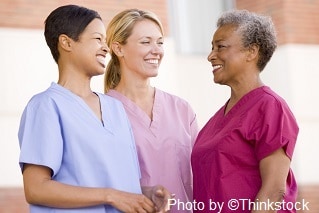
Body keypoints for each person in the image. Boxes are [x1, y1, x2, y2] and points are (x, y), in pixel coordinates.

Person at [18, 4, 171, 213]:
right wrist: (111, 195)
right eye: (97, 39)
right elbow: (36, 189)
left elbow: (117, 184)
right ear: (66, 42)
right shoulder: (46, 106)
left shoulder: (115, 108)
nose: (105, 48)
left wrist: (145, 194)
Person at [191, 10, 299, 213]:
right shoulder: (215, 120)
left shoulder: (270, 107)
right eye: (212, 48)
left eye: (220, 47)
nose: (210, 56)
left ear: (251, 52)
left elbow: (274, 192)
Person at [104, 9, 199, 213]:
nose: (157, 50)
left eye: (160, 42)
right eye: (146, 42)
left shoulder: (181, 109)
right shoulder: (101, 111)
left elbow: (201, 175)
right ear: (118, 48)